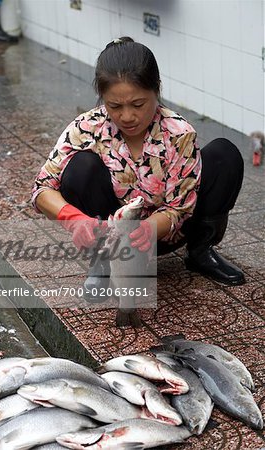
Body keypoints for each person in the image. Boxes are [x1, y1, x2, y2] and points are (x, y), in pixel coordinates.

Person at [32, 36, 245, 299]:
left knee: (224, 154)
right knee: (79, 166)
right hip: (109, 238)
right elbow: (42, 188)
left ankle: (200, 252)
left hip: (164, 235)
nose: (127, 116)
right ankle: (102, 263)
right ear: (102, 98)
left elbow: (179, 207)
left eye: (138, 104)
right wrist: (75, 221)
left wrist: (148, 229)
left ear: (156, 89)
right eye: (114, 106)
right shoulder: (87, 127)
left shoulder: (179, 133)